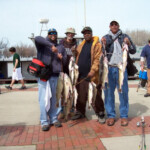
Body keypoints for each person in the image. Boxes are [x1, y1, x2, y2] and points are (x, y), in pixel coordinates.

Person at [101, 20, 136, 126]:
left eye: (116, 24)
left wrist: (129, 43)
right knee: (108, 94)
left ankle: (124, 116)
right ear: (109, 26)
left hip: (121, 68)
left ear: (119, 26)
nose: (114, 26)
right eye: (112, 25)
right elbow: (101, 53)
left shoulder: (125, 36)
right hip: (109, 69)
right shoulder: (105, 37)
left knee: (123, 92)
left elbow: (133, 50)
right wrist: (102, 44)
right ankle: (111, 115)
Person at [71, 27, 105, 124]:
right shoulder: (81, 45)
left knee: (96, 96)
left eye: (88, 33)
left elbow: (98, 59)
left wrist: (93, 70)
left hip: (92, 76)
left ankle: (101, 113)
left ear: (91, 33)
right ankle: (80, 112)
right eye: (84, 33)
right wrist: (74, 52)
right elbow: (77, 56)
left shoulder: (97, 44)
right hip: (81, 75)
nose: (86, 34)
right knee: (80, 95)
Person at [34, 28, 67, 131]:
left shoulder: (61, 47)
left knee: (55, 99)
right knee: (44, 100)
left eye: (55, 33)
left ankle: (54, 119)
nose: (53, 35)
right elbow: (37, 38)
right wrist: (51, 46)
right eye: (51, 33)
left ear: (57, 35)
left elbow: (65, 61)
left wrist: (62, 58)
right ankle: (44, 121)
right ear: (48, 35)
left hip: (56, 76)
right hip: (44, 77)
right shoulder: (43, 45)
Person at [59, 27, 77, 119]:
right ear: (66, 34)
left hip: (72, 71)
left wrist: (75, 52)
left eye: (72, 33)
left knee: (72, 91)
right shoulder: (61, 43)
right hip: (63, 70)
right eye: (69, 33)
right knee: (63, 91)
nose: (70, 34)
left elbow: (78, 56)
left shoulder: (76, 43)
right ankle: (63, 110)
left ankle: (72, 110)